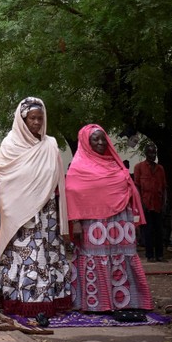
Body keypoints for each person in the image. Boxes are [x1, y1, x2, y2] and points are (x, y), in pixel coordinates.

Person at [0, 97, 71, 316]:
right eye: (32, 118)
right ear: (22, 120)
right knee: (27, 256)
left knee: (46, 254)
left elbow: (56, 179)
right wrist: (14, 206)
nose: (36, 123)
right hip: (20, 214)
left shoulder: (51, 144)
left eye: (40, 118)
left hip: (47, 212)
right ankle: (19, 300)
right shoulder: (10, 145)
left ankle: (49, 300)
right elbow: (2, 178)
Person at [66, 125, 152, 311]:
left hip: (120, 221)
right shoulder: (78, 167)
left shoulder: (114, 163)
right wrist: (76, 223)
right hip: (93, 224)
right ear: (85, 142)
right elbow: (72, 193)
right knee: (96, 259)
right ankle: (98, 304)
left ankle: (128, 302)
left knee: (123, 257)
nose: (100, 142)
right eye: (95, 139)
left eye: (103, 138)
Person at [134, 144, 169, 260]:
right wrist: (141, 204)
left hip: (158, 204)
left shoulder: (161, 169)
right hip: (146, 204)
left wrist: (164, 204)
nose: (152, 155)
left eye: (154, 153)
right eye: (150, 153)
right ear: (146, 153)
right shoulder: (139, 167)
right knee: (148, 231)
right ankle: (150, 255)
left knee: (159, 230)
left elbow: (164, 188)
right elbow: (137, 187)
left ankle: (159, 255)